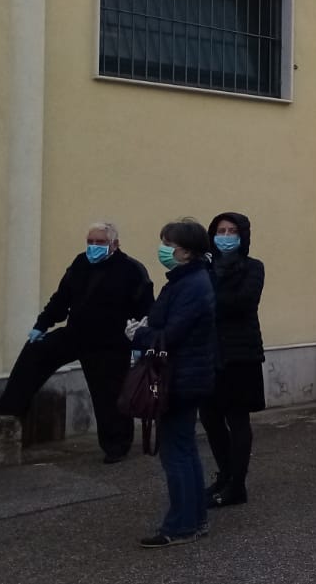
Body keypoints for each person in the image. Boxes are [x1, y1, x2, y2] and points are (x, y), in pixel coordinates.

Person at [0, 221, 151, 464]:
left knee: (108, 395)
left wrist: (138, 343)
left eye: (99, 242)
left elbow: (144, 309)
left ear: (115, 244)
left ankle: (116, 445)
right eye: (90, 242)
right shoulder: (80, 263)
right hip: (76, 333)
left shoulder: (132, 270)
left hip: (109, 344)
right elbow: (62, 298)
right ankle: (12, 404)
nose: (93, 247)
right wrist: (42, 324)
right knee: (36, 352)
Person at [128, 219, 217, 548]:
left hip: (179, 378)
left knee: (176, 453)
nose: (163, 249)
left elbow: (172, 335)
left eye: (169, 243)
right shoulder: (187, 280)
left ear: (187, 252)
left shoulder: (191, 284)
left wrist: (139, 335)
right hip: (184, 376)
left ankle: (181, 526)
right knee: (185, 449)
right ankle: (195, 520)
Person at [200, 213, 266, 509]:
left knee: (237, 418)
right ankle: (224, 475)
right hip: (208, 353)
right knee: (210, 417)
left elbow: (243, 302)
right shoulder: (204, 266)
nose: (225, 236)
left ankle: (237, 485)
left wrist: (209, 297)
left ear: (243, 236)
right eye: (220, 231)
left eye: (232, 231)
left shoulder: (253, 267)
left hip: (241, 354)